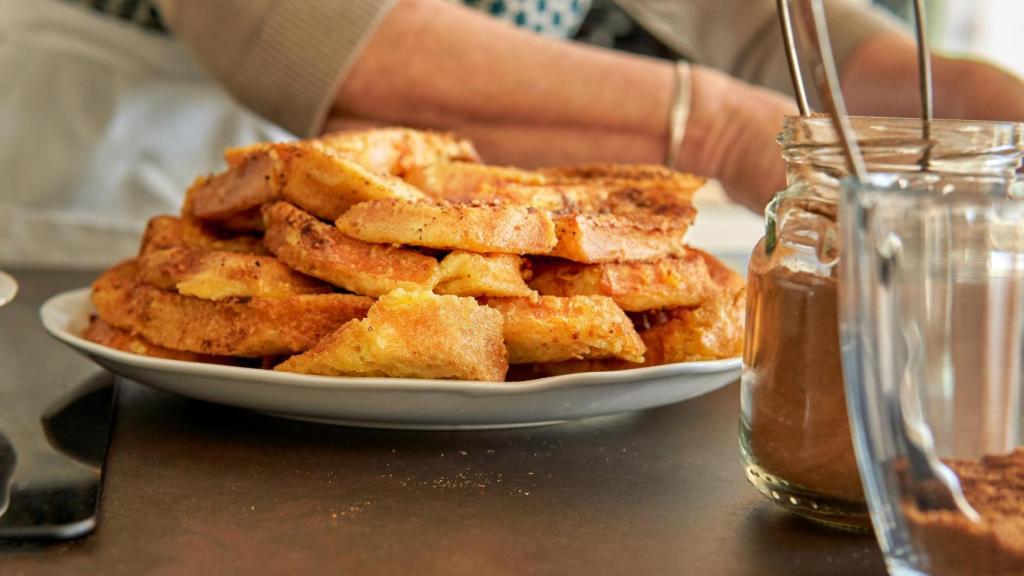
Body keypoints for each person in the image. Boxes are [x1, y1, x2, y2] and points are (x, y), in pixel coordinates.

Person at [2, 0, 1023, 267]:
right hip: (127, 175)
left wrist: (966, 98)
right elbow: (311, 35)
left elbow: (765, 24)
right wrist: (711, 127)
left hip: (432, 222)